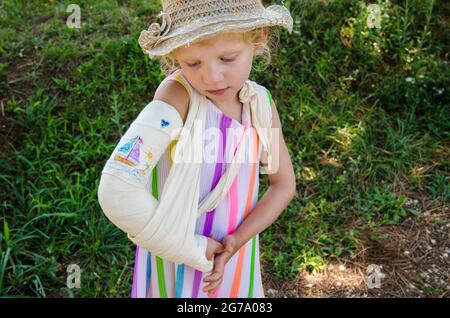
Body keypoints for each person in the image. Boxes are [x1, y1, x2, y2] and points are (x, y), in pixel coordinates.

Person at [98, 0, 296, 298]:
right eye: (193, 63)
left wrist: (236, 241)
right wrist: (190, 247)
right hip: (174, 258)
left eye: (227, 58)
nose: (212, 77)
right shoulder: (179, 96)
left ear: (259, 38)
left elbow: (283, 186)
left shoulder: (260, 105)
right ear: (175, 56)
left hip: (234, 260)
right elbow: (117, 189)